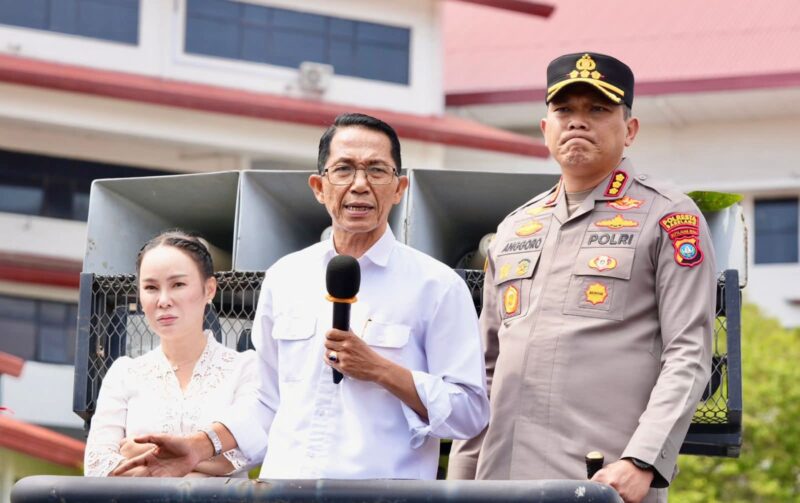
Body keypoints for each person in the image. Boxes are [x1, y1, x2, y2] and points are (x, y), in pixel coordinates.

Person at [112, 113, 490, 479]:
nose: (360, 184)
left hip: (383, 495)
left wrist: (381, 371)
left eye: (377, 170)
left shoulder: (437, 286)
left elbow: (470, 412)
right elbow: (265, 400)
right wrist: (199, 445)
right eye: (343, 170)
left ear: (399, 189)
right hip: (287, 489)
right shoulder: (285, 277)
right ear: (319, 187)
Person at [447, 53, 716, 503]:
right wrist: (459, 483)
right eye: (564, 111)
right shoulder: (515, 227)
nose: (578, 122)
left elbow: (688, 353)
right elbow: (487, 369)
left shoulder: (667, 215)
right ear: (545, 128)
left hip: (602, 481)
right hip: (500, 480)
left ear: (630, 130)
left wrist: (642, 461)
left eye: (598, 110)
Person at [84, 231, 263, 477]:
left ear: (209, 289)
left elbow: (247, 454)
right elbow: (97, 466)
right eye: (150, 287)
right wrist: (204, 463)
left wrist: (140, 455)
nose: (164, 300)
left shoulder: (245, 367)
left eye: (178, 284)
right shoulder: (124, 374)